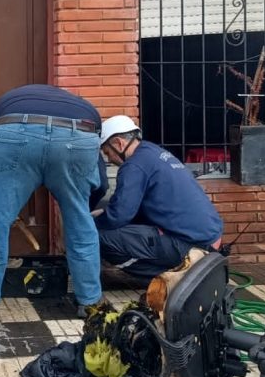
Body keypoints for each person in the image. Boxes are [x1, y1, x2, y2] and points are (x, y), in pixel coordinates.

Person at [0, 85, 109, 333]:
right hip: (78, 135)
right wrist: (84, 209)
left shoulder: (5, 100)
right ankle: (90, 302)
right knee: (81, 227)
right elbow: (100, 179)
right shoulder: (85, 107)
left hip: (15, 131)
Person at [95, 115, 224, 283]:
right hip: (208, 240)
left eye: (107, 153)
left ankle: (169, 278)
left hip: (191, 246)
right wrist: (106, 212)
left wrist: (93, 223)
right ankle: (179, 272)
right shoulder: (153, 152)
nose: (110, 160)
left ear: (119, 143)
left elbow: (119, 216)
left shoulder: (134, 165)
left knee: (98, 235)